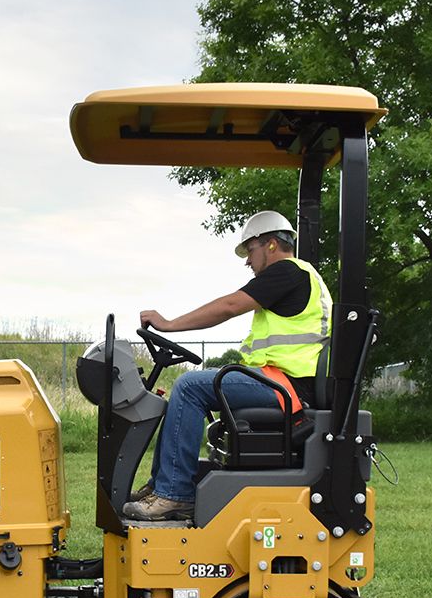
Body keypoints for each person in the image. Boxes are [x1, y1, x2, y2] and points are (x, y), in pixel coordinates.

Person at [122, 210, 332, 521]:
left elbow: (229, 306)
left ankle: (173, 495)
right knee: (191, 386)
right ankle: (161, 486)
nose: (248, 262)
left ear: (271, 244)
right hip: (281, 382)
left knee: (189, 387)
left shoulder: (287, 272)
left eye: (250, 250)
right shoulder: (300, 276)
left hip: (286, 387)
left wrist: (169, 324)